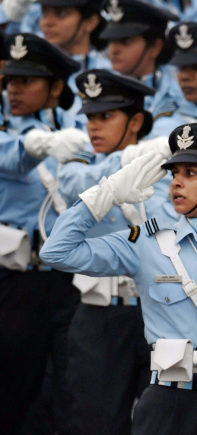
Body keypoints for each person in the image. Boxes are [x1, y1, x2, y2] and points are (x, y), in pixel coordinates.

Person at [40, 123, 197, 435]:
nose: (176, 183)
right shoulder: (145, 244)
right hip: (169, 404)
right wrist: (107, 194)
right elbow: (56, 252)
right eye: (174, 174)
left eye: (190, 173)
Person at [56, 69, 177, 435]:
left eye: (106, 117)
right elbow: (73, 186)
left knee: (164, 421)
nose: (94, 126)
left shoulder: (167, 172)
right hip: (101, 315)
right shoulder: (79, 164)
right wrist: (130, 161)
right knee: (96, 421)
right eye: (91, 117)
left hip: (160, 309)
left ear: (136, 121)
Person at [0, 32, 89, 434]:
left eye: (26, 81)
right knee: (14, 388)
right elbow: (12, 158)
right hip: (16, 278)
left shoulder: (81, 128)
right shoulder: (7, 129)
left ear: (56, 88)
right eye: (10, 80)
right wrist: (39, 144)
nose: (13, 89)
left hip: (71, 276)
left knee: (74, 384)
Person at [99, 0, 183, 117]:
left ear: (155, 47)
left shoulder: (181, 93)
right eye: (112, 41)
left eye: (126, 41)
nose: (114, 50)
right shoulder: (98, 88)